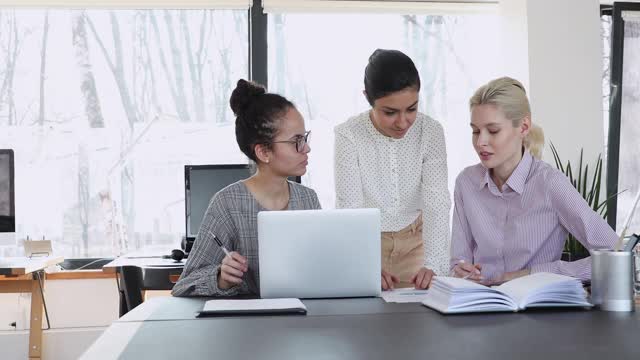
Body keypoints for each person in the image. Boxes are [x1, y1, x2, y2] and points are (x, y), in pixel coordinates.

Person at [450, 76, 618, 284]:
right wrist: (461, 269)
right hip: (480, 306)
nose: (480, 141)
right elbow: (458, 261)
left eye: (493, 131)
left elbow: (615, 256)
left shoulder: (550, 184)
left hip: (537, 310)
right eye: (475, 131)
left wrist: (534, 273)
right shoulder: (466, 183)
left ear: (523, 127)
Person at [172, 79, 321, 297]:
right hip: (247, 325)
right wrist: (221, 277)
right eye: (296, 141)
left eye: (305, 137)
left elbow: (321, 267)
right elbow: (184, 286)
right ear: (263, 152)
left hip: (303, 319)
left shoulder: (309, 199)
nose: (307, 148)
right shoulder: (227, 203)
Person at [334, 49, 450, 290]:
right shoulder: (349, 134)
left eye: (411, 109)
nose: (403, 122)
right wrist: (362, 264)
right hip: (368, 244)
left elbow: (437, 201)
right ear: (368, 98)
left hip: (419, 244)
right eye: (390, 112)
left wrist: (435, 264)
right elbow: (349, 206)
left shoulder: (430, 132)